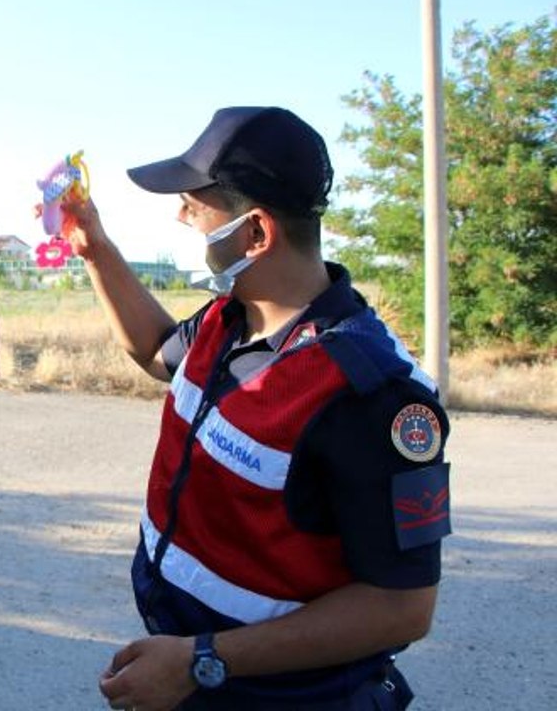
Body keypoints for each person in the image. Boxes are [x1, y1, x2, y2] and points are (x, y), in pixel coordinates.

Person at [65, 107, 452, 710]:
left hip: (287, 695)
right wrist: (96, 250)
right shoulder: (232, 318)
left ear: (255, 234)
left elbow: (401, 607)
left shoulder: (370, 393)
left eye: (196, 203)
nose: (180, 213)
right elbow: (156, 352)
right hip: (199, 672)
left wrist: (203, 659)